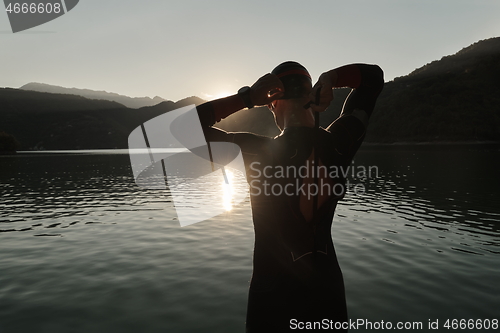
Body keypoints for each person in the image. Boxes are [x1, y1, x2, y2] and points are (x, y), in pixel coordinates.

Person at [196, 61, 384, 332]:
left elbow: (181, 131)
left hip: (272, 300)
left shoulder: (257, 153)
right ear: (312, 96)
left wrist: (246, 97)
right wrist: (332, 78)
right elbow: (373, 78)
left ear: (272, 103)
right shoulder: (341, 141)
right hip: (328, 296)